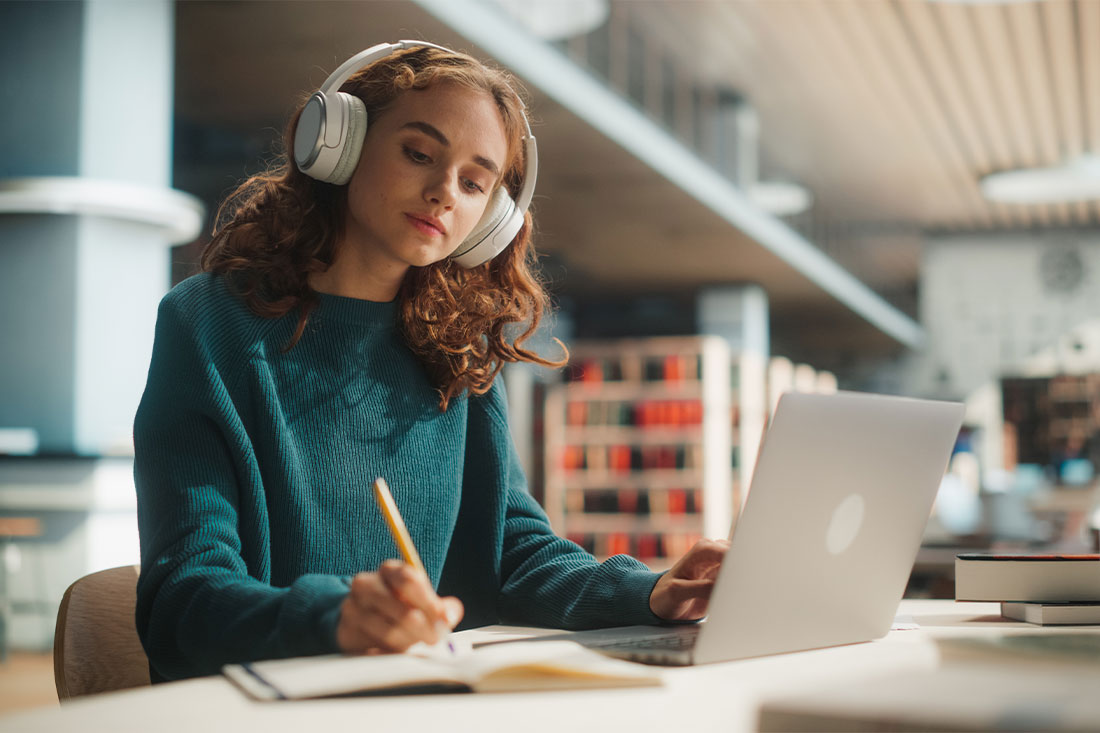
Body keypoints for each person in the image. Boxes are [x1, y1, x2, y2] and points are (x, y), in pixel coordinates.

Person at [134, 40, 728, 682]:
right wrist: (335, 620)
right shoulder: (209, 325)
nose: (445, 192)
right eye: (419, 153)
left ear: (489, 219)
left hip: (420, 701)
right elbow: (185, 595)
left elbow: (515, 554)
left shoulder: (458, 350)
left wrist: (649, 592)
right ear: (340, 144)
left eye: (475, 182)